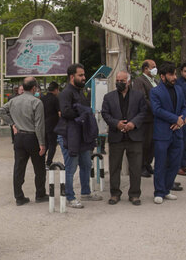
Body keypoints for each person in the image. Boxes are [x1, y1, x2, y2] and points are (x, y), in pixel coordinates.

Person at [55, 63, 101, 209]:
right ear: (72, 76)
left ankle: (86, 192)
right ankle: (70, 197)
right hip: (69, 136)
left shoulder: (81, 91)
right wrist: (83, 112)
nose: (84, 78)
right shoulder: (66, 93)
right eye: (80, 75)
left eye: (84, 75)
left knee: (87, 164)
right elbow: (66, 112)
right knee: (71, 167)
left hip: (82, 136)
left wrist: (84, 112)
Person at [0, 77, 47, 205]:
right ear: (34, 88)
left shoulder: (14, 101)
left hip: (19, 137)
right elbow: (39, 125)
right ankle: (40, 194)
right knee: (39, 168)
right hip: (33, 138)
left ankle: (19, 197)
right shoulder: (37, 102)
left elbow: (0, 111)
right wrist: (42, 143)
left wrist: (12, 123)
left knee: (19, 167)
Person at [101, 70, 147, 206]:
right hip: (116, 136)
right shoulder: (108, 97)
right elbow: (105, 113)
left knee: (135, 167)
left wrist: (133, 124)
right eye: (117, 80)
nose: (119, 83)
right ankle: (115, 194)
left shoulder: (138, 96)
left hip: (134, 137)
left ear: (128, 81)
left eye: (122, 81)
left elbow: (143, 112)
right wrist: (117, 123)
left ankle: (134, 194)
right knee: (115, 167)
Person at [150, 62, 186, 204]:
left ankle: (167, 189)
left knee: (175, 163)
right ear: (163, 76)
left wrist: (181, 120)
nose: (174, 77)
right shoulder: (155, 91)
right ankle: (158, 191)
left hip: (177, 132)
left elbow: (184, 107)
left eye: (175, 74)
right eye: (171, 74)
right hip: (162, 133)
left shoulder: (179, 89)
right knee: (160, 163)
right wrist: (175, 119)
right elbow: (157, 110)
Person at [131, 59, 157, 178]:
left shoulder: (155, 81)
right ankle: (141, 166)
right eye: (153, 66)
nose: (155, 68)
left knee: (152, 143)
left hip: (155, 118)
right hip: (146, 117)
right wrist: (156, 108)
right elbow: (142, 99)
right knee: (145, 143)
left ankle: (147, 164)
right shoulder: (139, 81)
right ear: (146, 68)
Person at [40, 81, 60, 168]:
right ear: (55, 90)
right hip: (53, 125)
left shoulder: (42, 98)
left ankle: (41, 162)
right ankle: (48, 163)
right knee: (52, 145)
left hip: (43, 125)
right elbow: (59, 112)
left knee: (45, 144)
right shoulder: (55, 99)